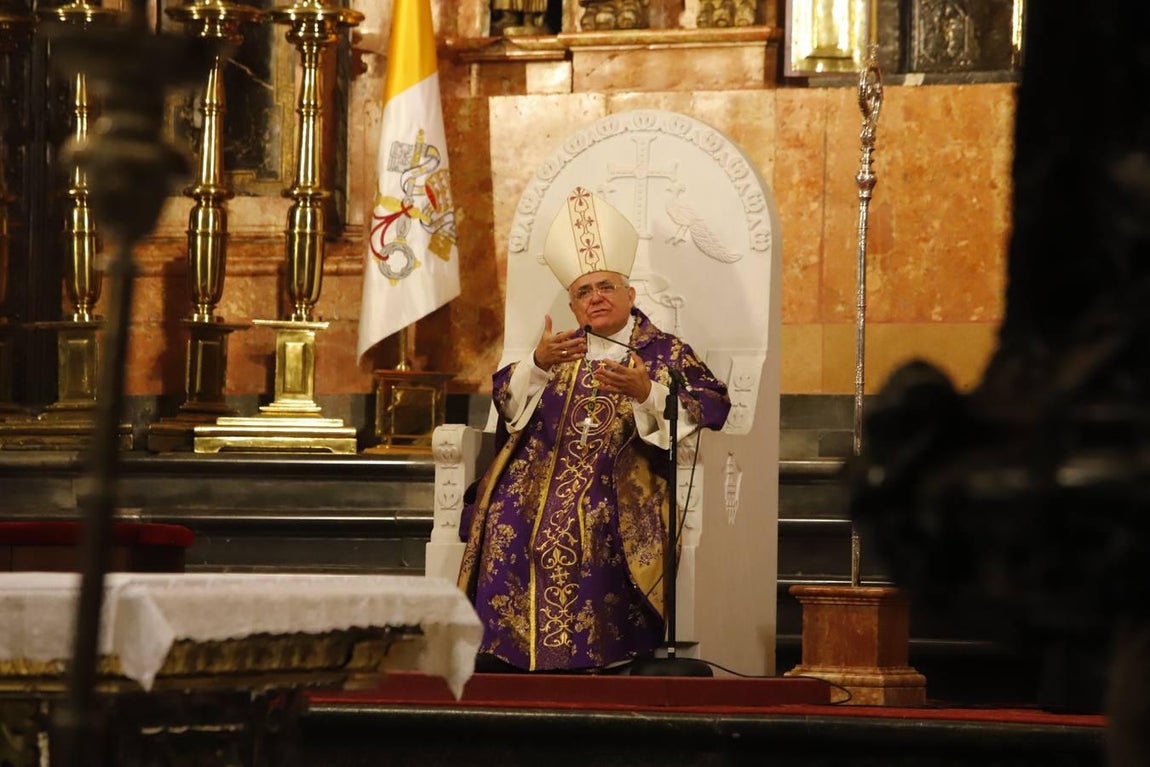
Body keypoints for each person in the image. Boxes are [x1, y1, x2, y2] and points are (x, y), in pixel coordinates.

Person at [457, 186, 731, 672]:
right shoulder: (558, 348)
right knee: (504, 512)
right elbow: (507, 403)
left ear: (630, 295)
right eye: (584, 291)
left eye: (605, 287)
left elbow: (712, 404)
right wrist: (537, 365)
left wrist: (647, 392)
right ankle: (503, 654)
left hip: (620, 480)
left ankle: (598, 655)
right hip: (537, 477)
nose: (596, 297)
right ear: (573, 304)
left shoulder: (663, 351)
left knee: (590, 518)